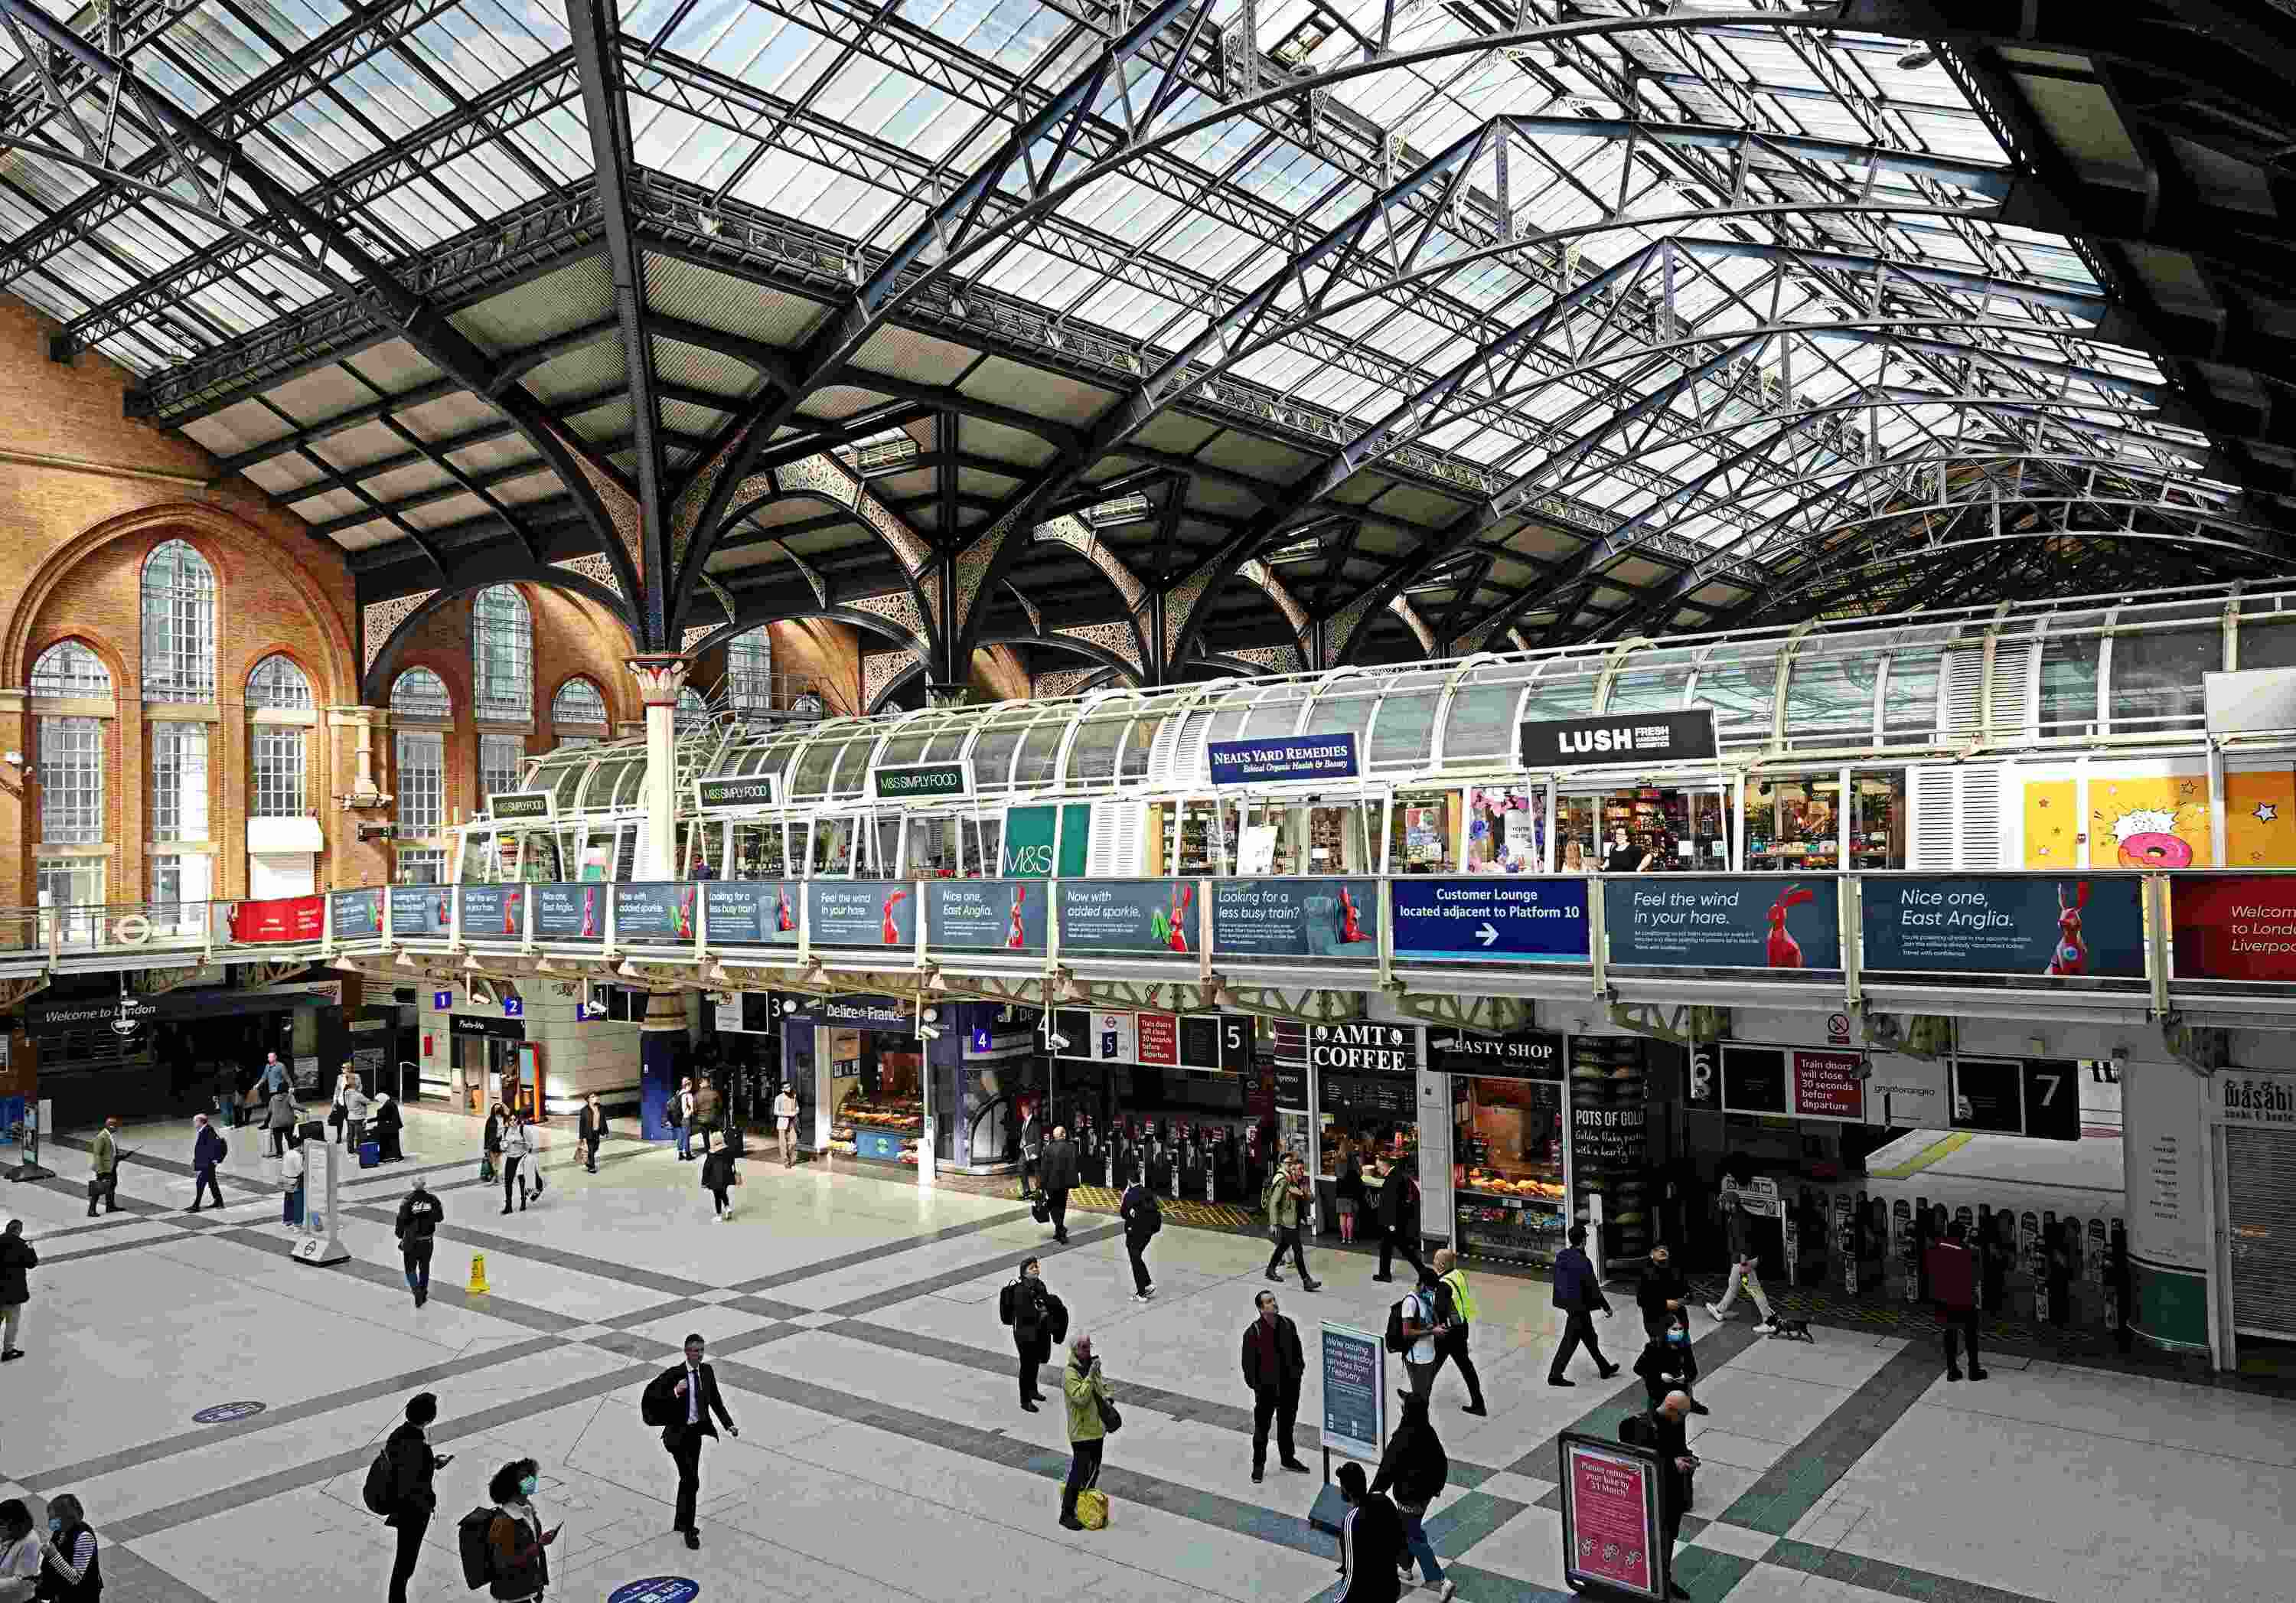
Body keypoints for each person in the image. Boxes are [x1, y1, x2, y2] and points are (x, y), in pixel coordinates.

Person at [650, 1334, 737, 1549]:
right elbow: (655, 1398)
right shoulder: (675, 1374)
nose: (699, 1354)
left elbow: (716, 1400)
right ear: (686, 1352)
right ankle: (689, 1530)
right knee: (691, 1480)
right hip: (677, 1436)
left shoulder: (707, 1372)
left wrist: (728, 1424)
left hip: (695, 1435)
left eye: (701, 1350)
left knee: (687, 1480)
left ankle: (681, 1522)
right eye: (695, 1350)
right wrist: (675, 1392)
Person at [1370, 1388, 1454, 1601]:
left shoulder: (1402, 1437)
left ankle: (1441, 1581)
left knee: (1413, 1535)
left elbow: (1387, 1468)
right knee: (1406, 1528)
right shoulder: (1429, 1432)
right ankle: (1406, 1567)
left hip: (1409, 1496)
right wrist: (1436, 1488)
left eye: (1403, 1406)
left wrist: (1373, 1492)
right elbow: (1442, 1462)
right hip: (1425, 1495)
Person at [381, 1392, 451, 1603]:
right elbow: (418, 1483)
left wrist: (431, 1462)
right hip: (413, 1513)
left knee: (403, 1562)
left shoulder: (397, 1436)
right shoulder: (421, 1449)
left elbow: (404, 1468)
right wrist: (433, 1463)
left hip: (399, 1505)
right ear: (429, 1420)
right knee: (406, 1564)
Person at [1240, 1290, 1309, 1483]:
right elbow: (1248, 1367)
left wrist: (1297, 1376)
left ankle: (1287, 1459)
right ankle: (1258, 1465)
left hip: (1289, 1388)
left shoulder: (1288, 1325)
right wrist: (1259, 1387)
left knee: (1287, 1426)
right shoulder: (1253, 1332)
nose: (1274, 1304)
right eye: (1269, 1302)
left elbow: (1298, 1354)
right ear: (1261, 1308)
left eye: (1274, 1300)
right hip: (1266, 1392)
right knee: (1262, 1430)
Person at [1640, 1390, 1697, 1599]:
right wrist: (1673, 1464)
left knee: (1669, 1538)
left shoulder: (1676, 1421)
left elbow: (1678, 1448)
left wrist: (1688, 1459)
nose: (1684, 1419)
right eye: (1682, 1414)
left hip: (1673, 1494)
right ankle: (1651, 1581)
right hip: (1654, 1496)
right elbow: (1641, 1463)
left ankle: (1664, 1579)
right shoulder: (1642, 1427)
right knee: (1654, 1539)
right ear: (1671, 1408)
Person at [1549, 1223, 1619, 1386]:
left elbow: (1559, 1280)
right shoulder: (1583, 1261)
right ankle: (1555, 1374)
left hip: (1569, 1304)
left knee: (1589, 1337)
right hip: (1579, 1307)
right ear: (1583, 1241)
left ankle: (1604, 1367)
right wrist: (1606, 1306)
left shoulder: (1562, 1256)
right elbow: (1593, 1287)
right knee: (1570, 1341)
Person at [1058, 1332, 1111, 1532]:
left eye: (1089, 1345)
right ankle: (1067, 1512)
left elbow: (1101, 1387)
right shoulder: (1069, 1373)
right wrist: (1090, 1376)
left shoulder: (1093, 1366)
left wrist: (1108, 1397)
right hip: (1081, 1433)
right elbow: (1080, 1398)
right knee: (1078, 1471)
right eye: (1083, 1346)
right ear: (1074, 1350)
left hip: (1097, 1429)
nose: (1087, 1350)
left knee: (1094, 1469)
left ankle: (1085, 1503)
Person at [1706, 1192, 1779, 1334]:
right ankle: (1720, 1310)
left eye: (1724, 1202)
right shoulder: (1738, 1215)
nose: (1722, 1205)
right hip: (1741, 1262)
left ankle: (1770, 1322)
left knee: (1754, 1289)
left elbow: (1743, 1245)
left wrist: (1744, 1266)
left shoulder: (1738, 1220)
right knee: (1733, 1285)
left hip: (1742, 1263)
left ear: (1731, 1204)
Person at [484, 1459, 556, 1601]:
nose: (532, 1480)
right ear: (513, 1487)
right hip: (512, 1595)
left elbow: (535, 1558)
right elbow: (506, 1563)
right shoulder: (504, 1522)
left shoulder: (527, 1512)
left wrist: (539, 1586)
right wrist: (540, 1545)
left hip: (529, 1590)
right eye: (526, 1478)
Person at [1333, 1461, 1405, 1603]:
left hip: (1367, 1595)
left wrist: (1338, 1600)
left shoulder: (1351, 1522)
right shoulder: (1385, 1502)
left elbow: (1351, 1573)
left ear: (1345, 1490)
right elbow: (1401, 1543)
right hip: (1391, 1588)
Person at [1427, 1247, 1487, 1415]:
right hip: (1462, 1327)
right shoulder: (1458, 1275)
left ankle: (1418, 1399)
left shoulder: (1443, 1284)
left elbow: (1440, 1310)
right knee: (1465, 1367)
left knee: (1431, 1366)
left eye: (1435, 1260)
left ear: (1440, 1264)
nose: (1433, 1263)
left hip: (1448, 1332)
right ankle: (1478, 1403)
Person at [1925, 1219, 1985, 1381]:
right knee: (1970, 1334)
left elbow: (1929, 1270)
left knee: (1949, 1333)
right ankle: (1974, 1370)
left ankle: (1952, 1370)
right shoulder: (1968, 1252)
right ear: (1962, 1235)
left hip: (1943, 1299)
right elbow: (1977, 1276)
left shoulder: (1935, 1248)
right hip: (1964, 1300)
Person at [1004, 1257, 1058, 1411]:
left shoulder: (1040, 1285)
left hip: (1039, 1331)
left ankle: (1033, 1390)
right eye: (1032, 1268)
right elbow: (1025, 1313)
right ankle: (1025, 1400)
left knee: (1035, 1362)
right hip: (1024, 1333)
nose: (1035, 1269)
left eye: (1036, 1267)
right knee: (1027, 1366)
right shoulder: (1021, 1290)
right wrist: (1040, 1313)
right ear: (1024, 1272)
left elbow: (1046, 1302)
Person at [1264, 1152, 1320, 1290]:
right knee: (1298, 1250)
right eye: (1299, 1168)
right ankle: (1306, 1280)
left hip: (1294, 1221)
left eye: (1303, 1168)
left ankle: (1270, 1270)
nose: (1302, 1171)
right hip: (1286, 1222)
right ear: (1292, 1169)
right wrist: (1274, 1223)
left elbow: (1312, 1200)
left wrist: (1307, 1191)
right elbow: (1274, 1202)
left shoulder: (1301, 1182)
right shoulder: (1284, 1182)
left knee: (1283, 1246)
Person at [32, 1492, 98, 1601]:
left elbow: (76, 1578)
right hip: (61, 1594)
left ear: (67, 1517)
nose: (50, 1522)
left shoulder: (84, 1537)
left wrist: (53, 1556)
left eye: (54, 1518)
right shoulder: (61, 1531)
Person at [395, 1174, 443, 1308]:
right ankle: (423, 1291)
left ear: (413, 1185)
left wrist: (400, 1235)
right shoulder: (433, 1199)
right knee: (425, 1266)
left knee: (410, 1269)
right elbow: (440, 1217)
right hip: (427, 1240)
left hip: (411, 1241)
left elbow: (401, 1220)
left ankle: (417, 1292)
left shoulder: (407, 1201)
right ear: (425, 1184)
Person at [1375, 1157, 1425, 1285]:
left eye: (1379, 1167)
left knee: (1402, 1249)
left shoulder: (1393, 1179)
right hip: (1394, 1221)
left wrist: (1391, 1223)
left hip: (1392, 1223)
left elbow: (1392, 1203)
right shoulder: (1396, 1175)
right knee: (1391, 1248)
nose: (1378, 1170)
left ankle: (1423, 1272)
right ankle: (1384, 1273)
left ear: (1386, 1165)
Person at [1397, 1265, 1441, 1397]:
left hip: (1428, 1355)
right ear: (1422, 1285)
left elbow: (1432, 1320)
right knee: (1421, 1397)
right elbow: (1407, 1332)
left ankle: (1408, 1401)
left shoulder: (1426, 1298)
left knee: (1425, 1392)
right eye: (1430, 1289)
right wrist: (1432, 1331)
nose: (1432, 1292)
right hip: (1417, 1358)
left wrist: (1437, 1325)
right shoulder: (1410, 1303)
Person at [1118, 1169, 1159, 1300]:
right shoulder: (1148, 1192)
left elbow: (1124, 1213)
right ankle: (1147, 1284)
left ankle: (1141, 1293)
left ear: (1129, 1181)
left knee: (1134, 1259)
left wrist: (1124, 1196)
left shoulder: (1130, 1194)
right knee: (1137, 1257)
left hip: (1135, 1232)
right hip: (1148, 1232)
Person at [1639, 1242, 1692, 1340]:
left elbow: (1688, 1293)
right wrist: (1664, 1304)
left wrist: (1684, 1300)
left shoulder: (1676, 1270)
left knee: (1685, 1353)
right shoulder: (1646, 1273)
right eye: (1658, 1249)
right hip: (1657, 1324)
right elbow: (1642, 1300)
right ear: (1651, 1254)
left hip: (1680, 1323)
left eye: (1665, 1248)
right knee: (1660, 1354)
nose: (1663, 1250)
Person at [1039, 1123, 1079, 1245]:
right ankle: (1060, 1229)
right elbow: (1075, 1164)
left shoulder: (1048, 1149)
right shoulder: (1071, 1147)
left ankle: (1059, 1229)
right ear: (1064, 1135)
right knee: (1061, 1206)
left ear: (1054, 1136)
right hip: (1064, 1184)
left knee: (1053, 1205)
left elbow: (1044, 1169)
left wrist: (1042, 1185)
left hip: (1051, 1184)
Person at [0, 1221, 34, 1363]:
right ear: (18, 1230)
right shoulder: (22, 1244)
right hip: (13, 1292)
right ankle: (8, 1351)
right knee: (12, 1323)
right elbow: (32, 1263)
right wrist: (31, 1248)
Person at [0, 1498, 41, 1602]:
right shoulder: (5, 1533)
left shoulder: (30, 1541)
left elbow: (22, 1580)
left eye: (1, 1525)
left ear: (14, 1525)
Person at [188, 1112, 226, 1212]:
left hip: (208, 1163)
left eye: (195, 1122)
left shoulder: (207, 1130)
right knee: (212, 1182)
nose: (194, 1124)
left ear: (200, 1122)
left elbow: (212, 1147)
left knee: (200, 1182)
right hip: (208, 1162)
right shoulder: (205, 1130)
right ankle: (219, 1201)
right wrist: (195, 1160)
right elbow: (202, 1149)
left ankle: (196, 1205)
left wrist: (214, 1160)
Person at [1333, 1133, 1364, 1245]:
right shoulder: (1352, 1158)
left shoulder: (1337, 1159)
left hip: (1340, 1189)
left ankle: (1343, 1238)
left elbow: (1336, 1173)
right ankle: (1350, 1239)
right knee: (1350, 1215)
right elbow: (1360, 1172)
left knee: (1342, 1214)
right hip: (1351, 1189)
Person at [86, 1118, 121, 1218]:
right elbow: (97, 1154)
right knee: (97, 1189)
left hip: (111, 1166)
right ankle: (91, 1210)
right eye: (116, 1126)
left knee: (112, 1186)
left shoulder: (109, 1136)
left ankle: (110, 1206)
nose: (118, 1128)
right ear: (111, 1126)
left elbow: (110, 1151)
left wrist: (118, 1157)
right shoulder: (101, 1137)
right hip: (104, 1168)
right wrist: (100, 1170)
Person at [500, 1114, 531, 1215]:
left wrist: (519, 1143)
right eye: (511, 1120)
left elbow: (529, 1146)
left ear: (518, 1120)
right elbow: (502, 1145)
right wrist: (505, 1145)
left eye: (515, 1119)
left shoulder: (523, 1130)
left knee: (522, 1180)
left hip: (521, 1158)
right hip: (510, 1158)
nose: (513, 1121)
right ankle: (508, 1206)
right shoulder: (505, 1131)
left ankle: (523, 1202)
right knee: (508, 1181)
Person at [700, 1141, 739, 1221]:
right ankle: (727, 1208)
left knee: (717, 1196)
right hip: (726, 1176)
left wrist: (704, 1182)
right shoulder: (728, 1150)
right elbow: (731, 1162)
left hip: (714, 1177)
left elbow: (707, 1168)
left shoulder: (711, 1153)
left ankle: (719, 1215)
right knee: (723, 1192)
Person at [281, 1131, 308, 1229]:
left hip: (286, 1179)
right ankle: (298, 1223)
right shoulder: (297, 1155)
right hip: (296, 1180)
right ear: (300, 1146)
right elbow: (299, 1170)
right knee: (298, 1202)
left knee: (288, 1200)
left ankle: (288, 1219)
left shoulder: (287, 1153)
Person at [690, 1077, 721, 1159]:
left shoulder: (696, 1096)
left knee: (705, 1137)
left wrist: (698, 1116)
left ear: (700, 1085)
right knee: (716, 1135)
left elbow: (694, 1109)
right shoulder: (714, 1093)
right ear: (708, 1083)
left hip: (702, 1120)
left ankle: (709, 1153)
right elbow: (720, 1105)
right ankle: (718, 1151)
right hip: (713, 1118)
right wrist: (715, 1113)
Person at [267, 1082, 299, 1160]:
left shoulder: (273, 1098)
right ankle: (291, 1152)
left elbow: (270, 1112)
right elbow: (294, 1105)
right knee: (289, 1137)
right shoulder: (289, 1096)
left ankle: (280, 1153)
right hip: (288, 1122)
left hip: (276, 1123)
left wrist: (267, 1122)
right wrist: (305, 1109)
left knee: (278, 1139)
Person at [1018, 1099, 1042, 1197]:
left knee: (1037, 1171)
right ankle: (1026, 1190)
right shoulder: (1024, 1122)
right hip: (1024, 1150)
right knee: (1021, 1167)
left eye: (1023, 1110)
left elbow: (1038, 1139)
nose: (1022, 1112)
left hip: (1032, 1151)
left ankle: (1039, 1191)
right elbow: (1024, 1134)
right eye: (1022, 1110)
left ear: (1028, 1110)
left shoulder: (1035, 1122)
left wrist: (1036, 1153)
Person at [371, 1091, 404, 1163]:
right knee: (394, 1142)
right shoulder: (389, 1103)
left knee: (392, 1142)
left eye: (379, 1100)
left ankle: (395, 1157)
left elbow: (381, 1116)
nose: (378, 1102)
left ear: (382, 1099)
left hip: (391, 1127)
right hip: (393, 1126)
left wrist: (370, 1120)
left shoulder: (388, 1105)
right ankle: (395, 1156)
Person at [576, 1094, 605, 1174]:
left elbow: (603, 1120)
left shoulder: (600, 1108)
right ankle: (592, 1167)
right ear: (588, 1099)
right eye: (592, 1097)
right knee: (591, 1150)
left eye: (595, 1096)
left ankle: (587, 1160)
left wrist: (605, 1131)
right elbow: (582, 1125)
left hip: (597, 1132)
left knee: (596, 1147)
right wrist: (582, 1137)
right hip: (588, 1133)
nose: (595, 1098)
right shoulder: (584, 1110)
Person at [773, 1081, 799, 1167]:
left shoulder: (794, 1096)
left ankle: (790, 1156)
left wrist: (796, 1111)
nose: (788, 1088)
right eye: (786, 1087)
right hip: (782, 1123)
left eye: (789, 1086)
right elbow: (776, 1112)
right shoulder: (778, 1098)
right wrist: (788, 1114)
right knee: (783, 1143)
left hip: (792, 1122)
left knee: (794, 1142)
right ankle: (786, 1161)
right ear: (782, 1089)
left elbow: (797, 1107)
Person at [483, 1101, 506, 1182]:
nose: (497, 1110)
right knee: (493, 1160)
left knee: (498, 1159)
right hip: (492, 1141)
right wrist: (485, 1147)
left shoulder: (505, 1119)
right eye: (495, 1108)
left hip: (501, 1141)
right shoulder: (491, 1120)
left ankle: (496, 1175)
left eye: (499, 1108)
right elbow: (486, 1133)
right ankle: (495, 1174)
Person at [674, 1079, 696, 1162]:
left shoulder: (679, 1093)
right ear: (688, 1085)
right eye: (691, 1085)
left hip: (678, 1118)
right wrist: (690, 1112)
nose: (691, 1087)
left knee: (680, 1136)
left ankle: (680, 1154)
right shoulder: (688, 1095)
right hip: (685, 1118)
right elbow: (688, 1109)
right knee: (686, 1136)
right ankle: (688, 1154)